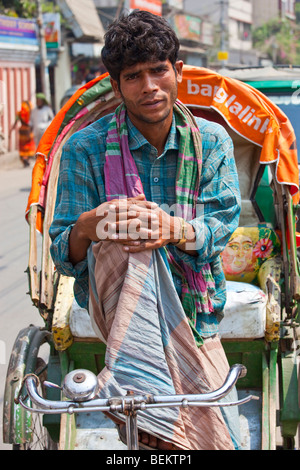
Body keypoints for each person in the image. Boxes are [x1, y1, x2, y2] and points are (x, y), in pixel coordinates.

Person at [50, 10, 241, 450]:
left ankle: (154, 423)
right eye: (134, 76)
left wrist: (173, 229)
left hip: (193, 303)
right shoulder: (85, 147)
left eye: (159, 71)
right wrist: (88, 226)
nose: (150, 86)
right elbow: (64, 251)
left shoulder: (211, 142)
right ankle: (147, 396)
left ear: (177, 72)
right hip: (117, 307)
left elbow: (221, 222)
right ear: (116, 87)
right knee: (123, 238)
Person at [10, 101, 36, 167]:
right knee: (29, 146)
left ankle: (24, 159)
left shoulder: (19, 114)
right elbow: (32, 122)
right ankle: (27, 159)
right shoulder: (30, 113)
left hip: (22, 131)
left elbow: (15, 122)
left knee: (23, 146)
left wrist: (11, 130)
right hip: (28, 131)